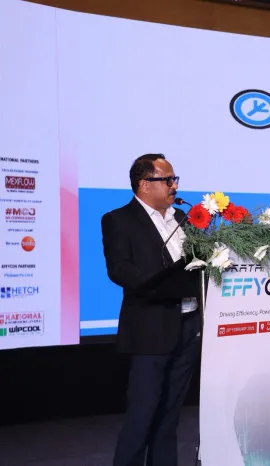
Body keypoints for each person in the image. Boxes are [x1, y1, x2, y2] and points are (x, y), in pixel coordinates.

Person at [101, 153, 201, 466]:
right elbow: (119, 270)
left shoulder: (183, 218)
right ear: (145, 184)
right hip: (150, 329)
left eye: (174, 179)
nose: (174, 186)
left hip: (189, 325)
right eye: (167, 180)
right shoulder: (119, 219)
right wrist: (162, 282)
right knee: (142, 415)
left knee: (170, 416)